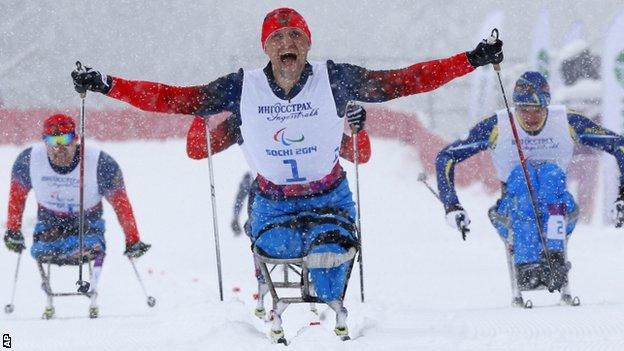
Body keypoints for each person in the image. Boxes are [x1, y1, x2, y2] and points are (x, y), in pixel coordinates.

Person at [71, 7, 502, 339]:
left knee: (329, 272)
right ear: (266, 48)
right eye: (276, 37)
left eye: (295, 34)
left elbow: (407, 80)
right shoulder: (243, 86)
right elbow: (173, 99)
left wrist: (472, 59)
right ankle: (268, 291)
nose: (286, 43)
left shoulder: (336, 79)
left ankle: (330, 306)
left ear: (308, 43)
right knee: (279, 253)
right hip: (271, 200)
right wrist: (107, 83)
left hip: (329, 194)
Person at [435, 71, 624, 298]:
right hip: (512, 210)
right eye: (524, 110)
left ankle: (554, 259)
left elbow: (618, 145)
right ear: (515, 107)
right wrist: (451, 205)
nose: (530, 117)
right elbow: (446, 157)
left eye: (537, 110)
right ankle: (527, 266)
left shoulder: (567, 121)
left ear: (547, 107)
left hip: (559, 208)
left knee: (550, 174)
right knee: (522, 177)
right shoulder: (497, 125)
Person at [185, 106, 371, 318]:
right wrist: (201, 113)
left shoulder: (313, 111)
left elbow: (359, 154)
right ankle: (265, 280)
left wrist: (358, 129)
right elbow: (199, 149)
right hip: (272, 198)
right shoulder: (244, 115)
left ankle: (316, 282)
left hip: (317, 199)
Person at [3, 113, 151, 317]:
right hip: (49, 223)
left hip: (87, 223)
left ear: (76, 139)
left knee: (92, 247)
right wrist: (13, 231)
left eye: (65, 140)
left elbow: (122, 204)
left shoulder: (101, 163)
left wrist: (133, 240)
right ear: (44, 141)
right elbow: (16, 198)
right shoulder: (28, 160)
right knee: (40, 250)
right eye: (52, 141)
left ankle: (92, 292)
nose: (58, 148)